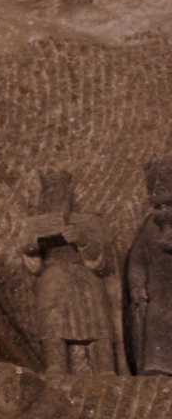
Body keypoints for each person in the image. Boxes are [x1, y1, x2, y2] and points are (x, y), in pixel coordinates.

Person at [20, 170, 125, 375]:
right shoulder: (34, 223)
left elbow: (103, 261)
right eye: (51, 192)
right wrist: (33, 246)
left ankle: (105, 368)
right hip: (52, 277)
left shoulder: (89, 221)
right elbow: (31, 262)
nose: (56, 197)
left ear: (69, 194)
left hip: (85, 276)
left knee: (97, 320)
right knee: (52, 322)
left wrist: (82, 240)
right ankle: (56, 368)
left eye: (60, 192)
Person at [126, 157, 172, 375]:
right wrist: (137, 285)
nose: (163, 211)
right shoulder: (149, 228)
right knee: (155, 323)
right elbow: (137, 259)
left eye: (169, 205)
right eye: (158, 206)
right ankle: (158, 367)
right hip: (158, 294)